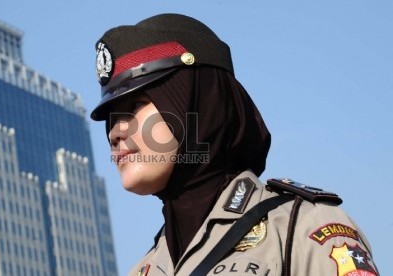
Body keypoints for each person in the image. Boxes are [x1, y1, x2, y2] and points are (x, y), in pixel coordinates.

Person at [90, 13, 379, 276]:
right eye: (112, 117)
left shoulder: (303, 229)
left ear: (197, 103)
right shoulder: (143, 270)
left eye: (137, 104)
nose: (115, 131)